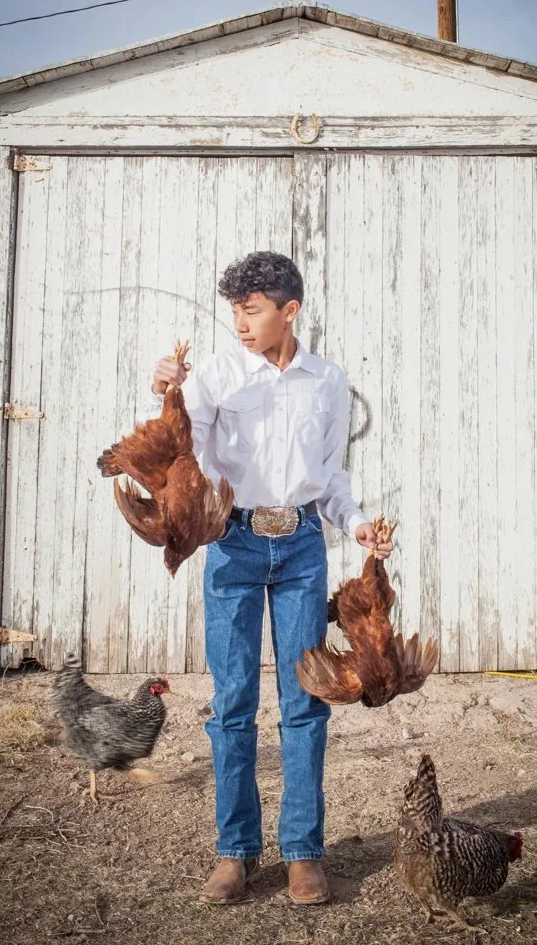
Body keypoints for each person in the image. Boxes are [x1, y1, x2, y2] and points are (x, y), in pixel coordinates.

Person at [146, 251, 393, 906]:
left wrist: (359, 525)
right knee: (231, 706)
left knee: (304, 701)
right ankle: (234, 854)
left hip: (304, 546)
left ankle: (302, 854)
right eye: (233, 311)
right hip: (232, 544)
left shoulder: (327, 381)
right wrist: (169, 389)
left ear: (289, 311)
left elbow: (331, 477)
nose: (240, 323)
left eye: (251, 311)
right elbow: (177, 449)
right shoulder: (220, 377)